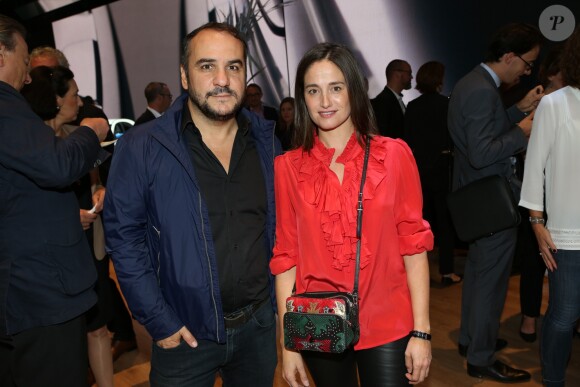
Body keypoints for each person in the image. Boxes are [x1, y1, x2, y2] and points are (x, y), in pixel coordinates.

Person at [103, 22, 281, 387]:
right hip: (183, 335)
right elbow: (124, 239)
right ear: (184, 76)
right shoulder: (142, 146)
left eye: (233, 66)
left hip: (258, 327)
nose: (222, 79)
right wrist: (158, 319)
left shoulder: (266, 142)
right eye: (206, 66)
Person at [271, 42, 433, 387]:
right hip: (319, 317)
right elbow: (286, 257)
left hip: (388, 319)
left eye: (336, 88)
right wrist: (289, 345)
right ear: (303, 98)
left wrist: (422, 331)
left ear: (354, 91)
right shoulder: (287, 168)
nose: (325, 102)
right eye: (313, 90)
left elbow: (414, 246)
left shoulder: (394, 155)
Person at [0, 14, 109, 387]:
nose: (28, 76)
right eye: (24, 60)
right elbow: (56, 165)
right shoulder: (6, 106)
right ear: (2, 53)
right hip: (38, 290)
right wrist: (90, 133)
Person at [29, 43, 139, 364]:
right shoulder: (27, 135)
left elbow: (97, 172)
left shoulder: (85, 121)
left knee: (96, 315)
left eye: (50, 73)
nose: (42, 80)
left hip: (89, 235)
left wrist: (101, 187)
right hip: (50, 249)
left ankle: (121, 340)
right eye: (36, 74)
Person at [448, 22, 544, 383]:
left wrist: (519, 109)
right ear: (508, 56)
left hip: (477, 198)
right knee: (490, 283)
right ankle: (481, 358)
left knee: (477, 276)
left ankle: (472, 340)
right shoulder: (481, 91)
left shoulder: (475, 83)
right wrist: (522, 131)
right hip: (489, 199)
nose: (527, 70)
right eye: (527, 62)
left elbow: (484, 132)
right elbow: (482, 151)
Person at [21, 65, 115, 387]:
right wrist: (68, 217)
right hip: (55, 254)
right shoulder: (33, 147)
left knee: (98, 326)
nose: (81, 101)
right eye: (74, 95)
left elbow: (95, 180)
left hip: (91, 246)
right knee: (67, 341)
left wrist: (98, 192)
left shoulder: (78, 137)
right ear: (57, 100)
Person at [519, 26, 580, 387]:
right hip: (568, 235)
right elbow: (534, 166)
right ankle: (553, 381)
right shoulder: (557, 104)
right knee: (563, 314)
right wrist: (537, 223)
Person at [517, 44, 565, 343]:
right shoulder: (541, 101)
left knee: (565, 258)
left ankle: (561, 315)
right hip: (539, 190)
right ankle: (529, 318)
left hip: (563, 189)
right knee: (534, 259)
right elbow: (524, 145)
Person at [404, 61, 459, 285]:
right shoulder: (446, 104)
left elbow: (407, 139)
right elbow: (453, 137)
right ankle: (447, 271)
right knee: (445, 223)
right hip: (442, 169)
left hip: (419, 171)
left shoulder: (413, 106)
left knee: (420, 224)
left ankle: (419, 274)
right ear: (439, 79)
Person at [370, 59, 413, 139]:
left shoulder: (389, 100)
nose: (411, 77)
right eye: (409, 73)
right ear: (397, 74)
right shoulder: (382, 102)